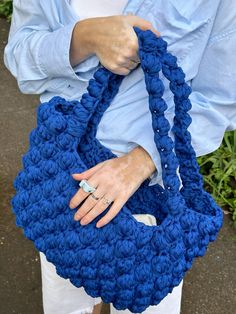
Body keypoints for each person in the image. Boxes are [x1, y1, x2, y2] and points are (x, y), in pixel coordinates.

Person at [4, 0, 236, 314]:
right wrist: (84, 37)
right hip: (64, 177)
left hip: (155, 186)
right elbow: (20, 58)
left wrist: (141, 161)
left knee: (141, 296)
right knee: (68, 304)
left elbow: (220, 99)